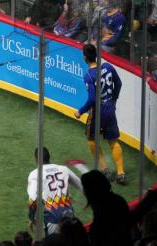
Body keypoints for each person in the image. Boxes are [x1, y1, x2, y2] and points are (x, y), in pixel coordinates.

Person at [74, 44, 126, 184]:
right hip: (110, 107)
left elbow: (92, 99)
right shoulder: (108, 67)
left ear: (85, 57)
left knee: (91, 139)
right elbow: (119, 83)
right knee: (113, 141)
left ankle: (105, 170)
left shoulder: (89, 76)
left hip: (98, 111)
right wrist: (114, 99)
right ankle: (121, 173)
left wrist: (80, 111)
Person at [27, 147, 82, 236]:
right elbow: (81, 185)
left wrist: (31, 218)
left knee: (53, 242)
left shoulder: (35, 174)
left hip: (52, 217)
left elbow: (33, 199)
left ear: (36, 159)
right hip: (68, 213)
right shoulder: (64, 169)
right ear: (49, 157)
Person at [81, 169, 133, 246]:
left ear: (91, 192)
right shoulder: (118, 200)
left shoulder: (99, 223)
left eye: (85, 188)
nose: (84, 191)